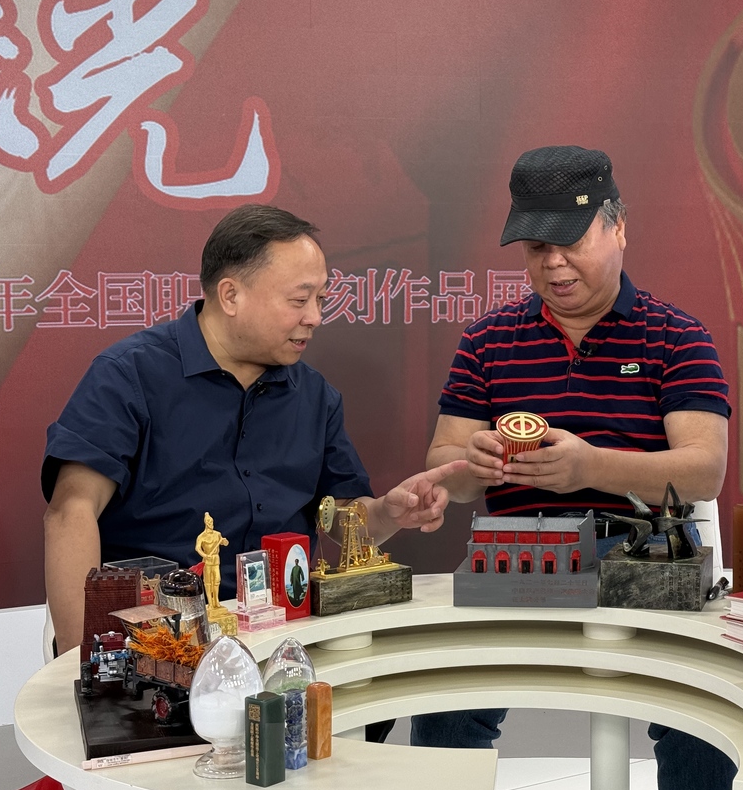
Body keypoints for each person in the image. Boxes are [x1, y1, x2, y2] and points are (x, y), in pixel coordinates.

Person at [425, 145, 735, 790]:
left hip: (647, 558)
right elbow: (446, 462)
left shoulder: (677, 337)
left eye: (571, 242)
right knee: (444, 699)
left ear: (619, 227)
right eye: (537, 248)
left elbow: (703, 470)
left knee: (701, 714)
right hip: (518, 561)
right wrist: (475, 460)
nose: (554, 265)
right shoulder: (489, 341)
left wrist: (591, 468)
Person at [43, 204, 464, 654]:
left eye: (321, 300)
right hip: (158, 638)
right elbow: (71, 512)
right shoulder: (129, 375)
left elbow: (341, 516)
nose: (315, 317)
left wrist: (386, 514)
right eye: (299, 300)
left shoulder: (315, 396)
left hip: (286, 632)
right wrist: (83, 659)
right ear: (230, 296)